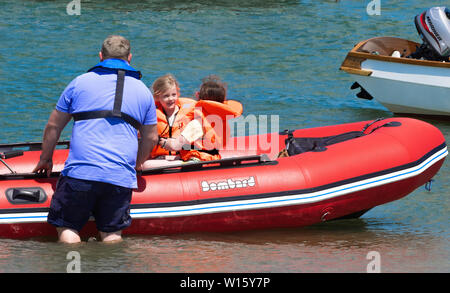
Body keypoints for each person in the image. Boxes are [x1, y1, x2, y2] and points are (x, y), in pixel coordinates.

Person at [32, 35, 158, 243]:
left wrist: (46, 158)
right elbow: (151, 137)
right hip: (119, 176)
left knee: (68, 227)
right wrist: (136, 163)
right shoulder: (144, 92)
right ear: (130, 58)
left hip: (81, 173)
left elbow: (53, 126)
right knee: (111, 234)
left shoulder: (79, 83)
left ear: (100, 56)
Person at [160, 75, 243, 161]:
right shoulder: (222, 119)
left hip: (197, 161)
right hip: (212, 157)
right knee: (165, 158)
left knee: (148, 165)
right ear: (223, 101)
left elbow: (176, 146)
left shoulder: (198, 123)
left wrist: (162, 142)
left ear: (197, 95)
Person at [149, 74, 196, 160]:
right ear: (157, 97)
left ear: (178, 94)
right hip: (159, 159)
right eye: (166, 96)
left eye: (173, 95)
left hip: (182, 157)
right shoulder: (151, 114)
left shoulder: (189, 112)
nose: (171, 99)